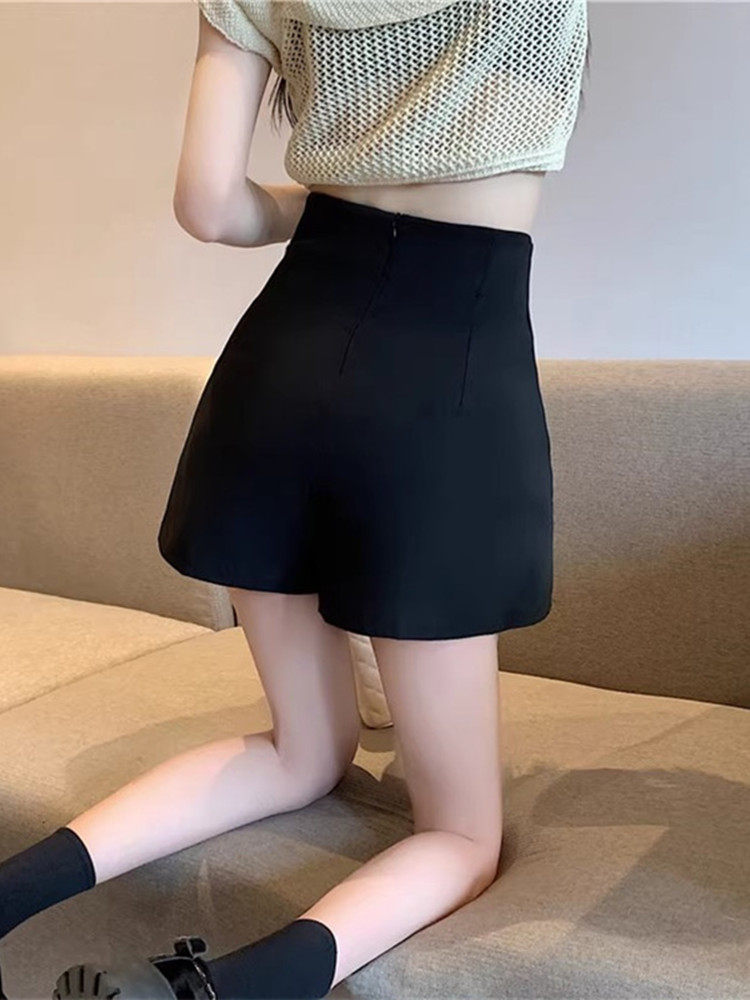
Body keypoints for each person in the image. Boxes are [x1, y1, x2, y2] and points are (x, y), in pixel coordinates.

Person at [0, 2, 590, 998]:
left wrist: (311, 209)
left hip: (279, 366)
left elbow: (209, 205)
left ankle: (11, 889)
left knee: (302, 750)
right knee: (459, 833)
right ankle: (211, 991)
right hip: (443, 389)